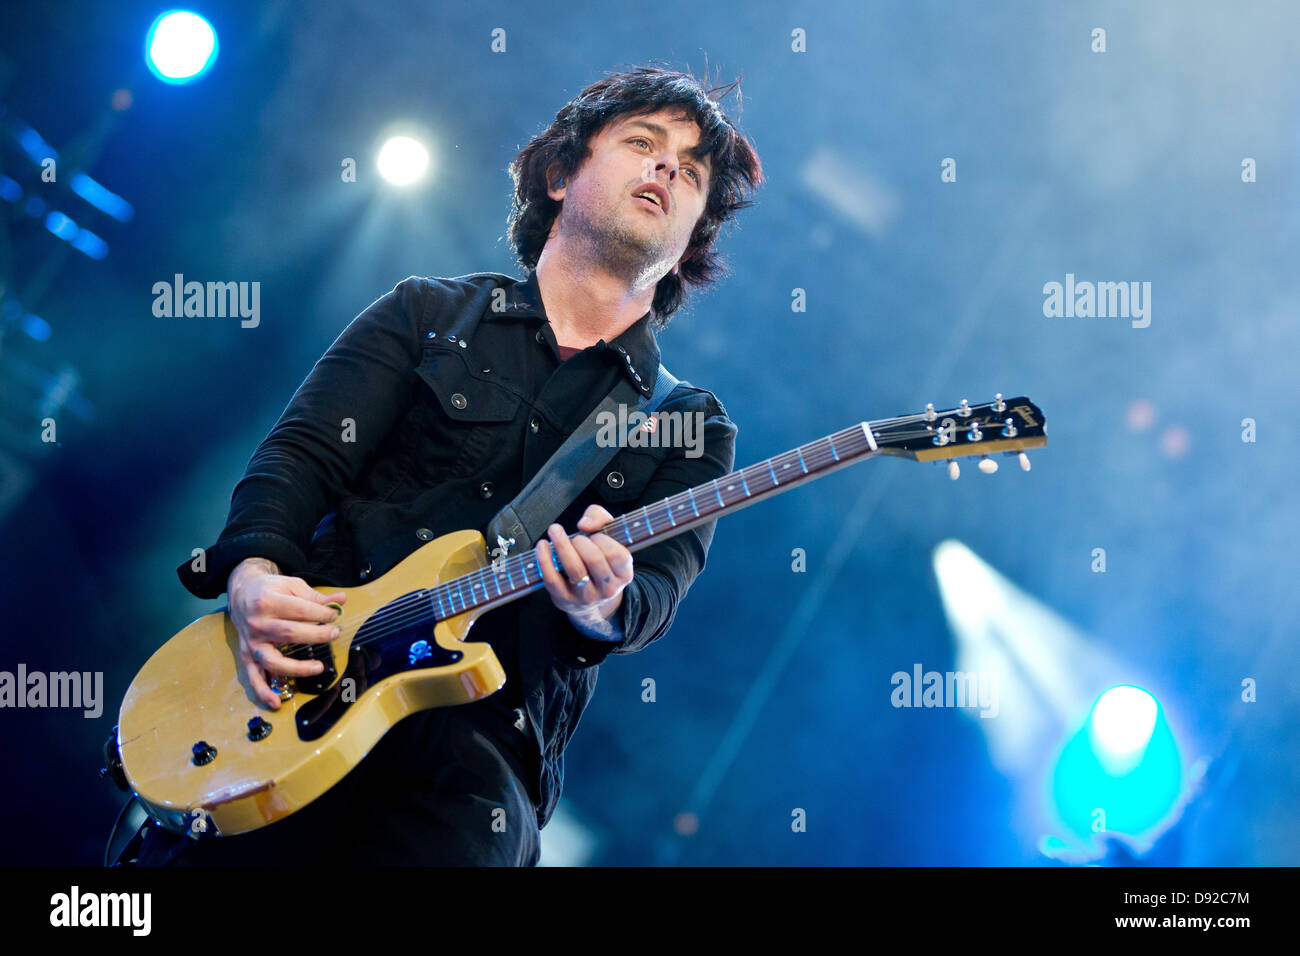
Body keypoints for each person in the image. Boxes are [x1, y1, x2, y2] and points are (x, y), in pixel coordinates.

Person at [135, 64, 763, 866]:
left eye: (693, 170)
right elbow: (301, 456)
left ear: (691, 244)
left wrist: (603, 601)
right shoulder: (426, 313)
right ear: (561, 174)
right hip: (297, 685)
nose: (668, 167)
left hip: (474, 759)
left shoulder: (686, 424)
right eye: (643, 143)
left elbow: (652, 594)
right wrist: (253, 574)